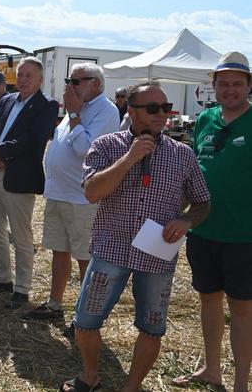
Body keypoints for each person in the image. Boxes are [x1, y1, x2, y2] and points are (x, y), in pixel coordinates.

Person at [62, 82, 210, 392]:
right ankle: (90, 376)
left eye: (165, 108)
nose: (161, 114)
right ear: (131, 111)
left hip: (156, 253)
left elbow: (202, 203)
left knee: (152, 327)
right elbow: (92, 193)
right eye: (153, 108)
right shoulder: (107, 146)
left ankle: (131, 387)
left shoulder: (182, 154)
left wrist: (185, 220)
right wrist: (129, 158)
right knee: (86, 321)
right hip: (111, 248)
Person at [172, 52, 252, 392]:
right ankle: (212, 370)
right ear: (214, 86)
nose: (230, 90)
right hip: (203, 229)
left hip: (244, 235)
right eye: (223, 84)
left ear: (249, 86)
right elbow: (195, 172)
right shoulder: (206, 119)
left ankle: (241, 383)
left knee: (242, 310)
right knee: (208, 299)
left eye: (237, 84)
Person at [24, 63, 119, 323]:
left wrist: (75, 114)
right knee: (59, 250)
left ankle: (85, 315)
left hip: (82, 198)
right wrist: (74, 113)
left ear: (95, 83)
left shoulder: (106, 111)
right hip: (59, 192)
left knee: (85, 257)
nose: (70, 86)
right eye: (69, 80)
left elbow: (87, 150)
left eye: (76, 81)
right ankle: (55, 304)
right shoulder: (75, 108)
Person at [0, 57, 59, 309]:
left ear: (40, 79)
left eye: (28, 75)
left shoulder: (47, 105)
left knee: (20, 235)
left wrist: (1, 151)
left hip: (20, 178)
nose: (23, 79)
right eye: (20, 75)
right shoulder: (7, 100)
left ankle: (22, 288)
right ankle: (2, 279)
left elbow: (35, 138)